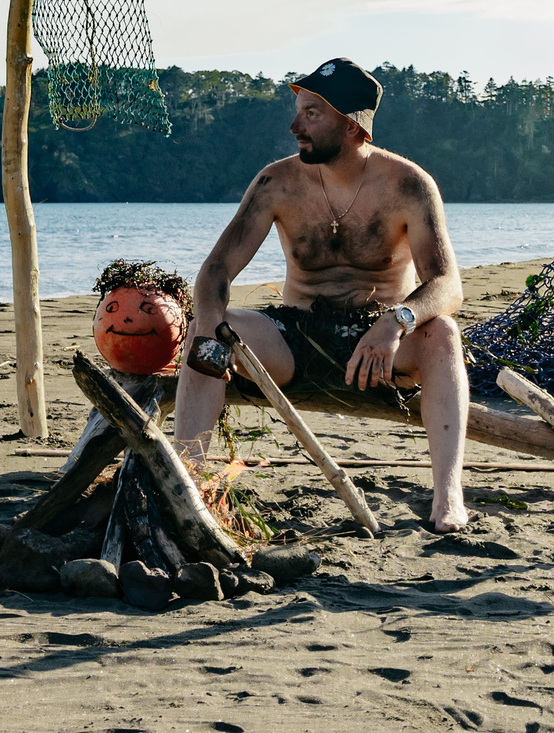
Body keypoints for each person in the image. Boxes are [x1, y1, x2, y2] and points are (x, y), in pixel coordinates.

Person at [174, 59, 471, 533]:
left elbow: (446, 285)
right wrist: (210, 324)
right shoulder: (277, 182)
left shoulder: (408, 185)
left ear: (354, 126)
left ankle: (448, 497)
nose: (295, 126)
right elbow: (215, 271)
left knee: (444, 334)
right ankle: (186, 481)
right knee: (210, 328)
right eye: (299, 111)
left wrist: (395, 321)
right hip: (296, 335)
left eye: (312, 113)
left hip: (377, 346)